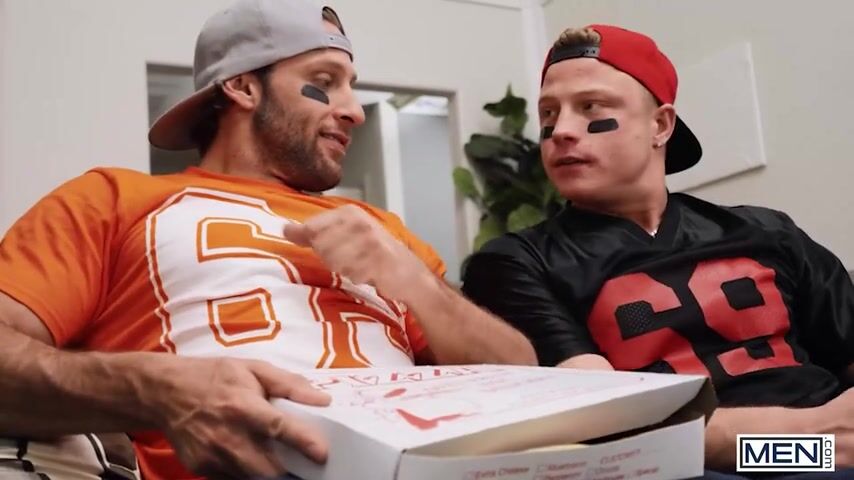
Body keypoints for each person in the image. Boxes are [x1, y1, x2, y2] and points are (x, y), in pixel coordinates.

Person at [0, 1, 536, 479]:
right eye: (325, 80)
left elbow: (522, 381)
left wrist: (412, 279)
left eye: (351, 85)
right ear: (243, 87)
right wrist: (155, 388)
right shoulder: (114, 199)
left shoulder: (382, 231)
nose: (355, 110)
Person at [460, 24, 854, 478]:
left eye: (590, 107)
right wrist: (811, 444)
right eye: (549, 113)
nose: (560, 131)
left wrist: (831, 443)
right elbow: (612, 427)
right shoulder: (517, 263)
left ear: (660, 125)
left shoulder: (767, 230)